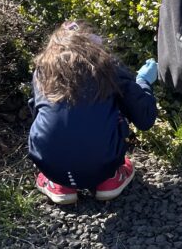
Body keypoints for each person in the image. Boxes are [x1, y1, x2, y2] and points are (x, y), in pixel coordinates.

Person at [28, 21, 158, 204]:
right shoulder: (108, 67)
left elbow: (39, 115)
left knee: (48, 118)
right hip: (104, 163)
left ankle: (60, 184)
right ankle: (110, 178)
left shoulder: (42, 71)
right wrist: (143, 81)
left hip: (50, 165)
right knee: (112, 113)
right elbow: (145, 119)